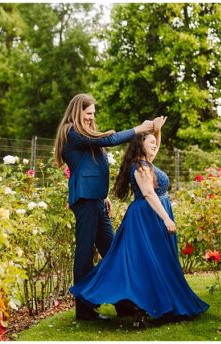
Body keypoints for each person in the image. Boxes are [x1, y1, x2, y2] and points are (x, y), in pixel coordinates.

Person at [69, 116, 209, 327]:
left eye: (155, 142)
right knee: (146, 261)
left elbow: (155, 147)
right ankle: (134, 305)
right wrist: (166, 219)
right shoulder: (141, 167)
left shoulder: (147, 163)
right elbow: (149, 194)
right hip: (147, 218)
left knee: (158, 260)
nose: (155, 145)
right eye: (150, 142)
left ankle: (155, 303)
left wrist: (157, 131)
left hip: (151, 216)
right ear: (140, 145)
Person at [52, 93, 156, 321]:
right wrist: (139, 129)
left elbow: (93, 165)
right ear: (77, 111)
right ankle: (84, 309)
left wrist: (104, 195)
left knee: (112, 251)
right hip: (85, 201)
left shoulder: (85, 135)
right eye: (88, 113)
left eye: (93, 114)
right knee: (85, 253)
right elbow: (109, 140)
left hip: (96, 200)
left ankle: (124, 304)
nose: (91, 118)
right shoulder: (72, 131)